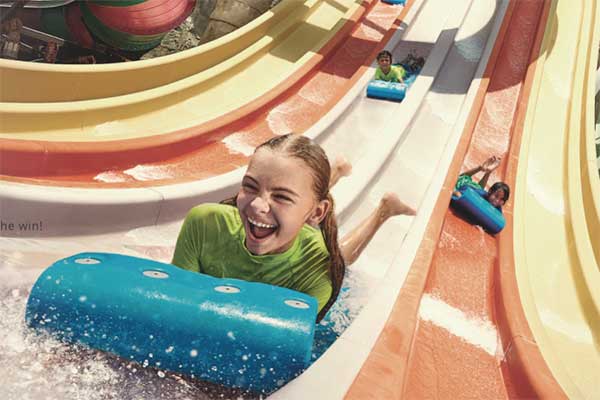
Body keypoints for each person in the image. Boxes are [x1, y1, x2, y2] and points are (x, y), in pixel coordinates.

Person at [172, 134, 415, 322]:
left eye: (281, 197)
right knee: (297, 192)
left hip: (303, 231)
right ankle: (335, 171)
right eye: (250, 186)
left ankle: (384, 210)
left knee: (341, 256)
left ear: (318, 213)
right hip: (292, 217)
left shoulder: (317, 267)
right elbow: (177, 302)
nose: (257, 206)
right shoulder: (205, 223)